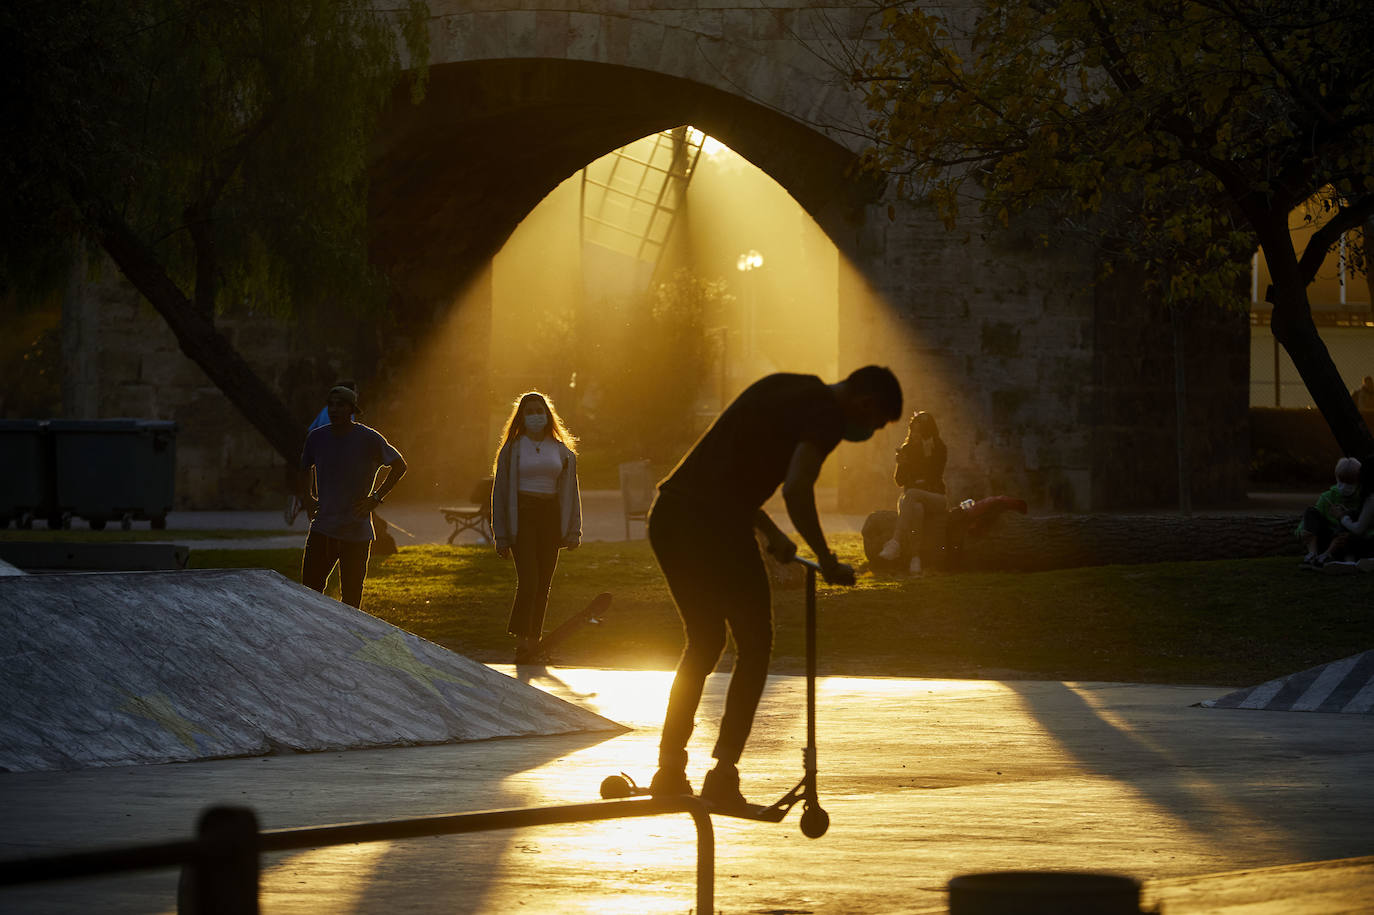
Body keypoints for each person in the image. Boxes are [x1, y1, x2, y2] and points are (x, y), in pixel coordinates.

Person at [647, 366, 903, 808]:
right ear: (866, 403)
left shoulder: (788, 385)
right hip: (713, 525)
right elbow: (797, 488)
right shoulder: (825, 415)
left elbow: (725, 470)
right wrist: (826, 559)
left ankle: (668, 769)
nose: (868, 432)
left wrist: (769, 533)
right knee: (755, 643)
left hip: (671, 516)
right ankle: (723, 774)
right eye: (876, 424)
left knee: (705, 642)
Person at [491, 391, 583, 664]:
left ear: (547, 415)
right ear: (522, 416)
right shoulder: (512, 449)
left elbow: (571, 493)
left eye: (539, 411)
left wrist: (574, 530)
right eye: (529, 412)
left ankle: (535, 642)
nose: (535, 416)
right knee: (529, 580)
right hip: (523, 518)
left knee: (543, 583)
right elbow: (499, 492)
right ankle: (522, 642)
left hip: (550, 518)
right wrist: (501, 535)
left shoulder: (562, 450)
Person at [297, 384, 407, 608]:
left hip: (356, 532)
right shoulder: (317, 438)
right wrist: (307, 498)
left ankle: (345, 643)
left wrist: (375, 498)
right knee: (309, 593)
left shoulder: (368, 438)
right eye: (331, 405)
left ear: (351, 409)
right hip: (323, 529)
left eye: (341, 405)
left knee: (351, 599)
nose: (334, 410)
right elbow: (303, 468)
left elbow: (399, 465)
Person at [877, 410, 947, 575]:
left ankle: (895, 542)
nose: (915, 434)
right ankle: (915, 559)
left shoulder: (938, 447)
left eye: (919, 430)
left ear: (927, 431)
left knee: (913, 493)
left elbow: (935, 477)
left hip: (935, 498)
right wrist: (901, 464)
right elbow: (899, 481)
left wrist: (927, 455)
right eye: (913, 430)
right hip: (911, 500)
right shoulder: (907, 448)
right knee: (916, 508)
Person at [1297, 456, 1360, 569]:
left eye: (1350, 482)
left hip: (1346, 543)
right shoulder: (1327, 496)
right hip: (1326, 539)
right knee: (1311, 511)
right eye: (1341, 481)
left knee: (1347, 517)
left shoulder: (1363, 498)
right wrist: (1302, 530)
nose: (1345, 486)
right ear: (1336, 478)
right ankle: (1312, 554)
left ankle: (1328, 556)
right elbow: (1312, 517)